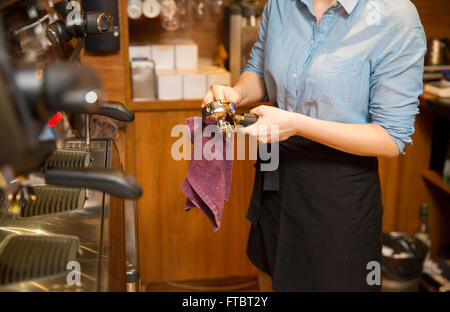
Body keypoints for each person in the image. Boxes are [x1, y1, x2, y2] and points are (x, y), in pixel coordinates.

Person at [201, 0, 426, 291]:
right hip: (277, 181)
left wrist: (297, 124)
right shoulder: (280, 5)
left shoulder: (394, 15)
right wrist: (237, 93)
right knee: (270, 278)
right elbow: (259, 70)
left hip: (339, 197)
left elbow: (391, 137)